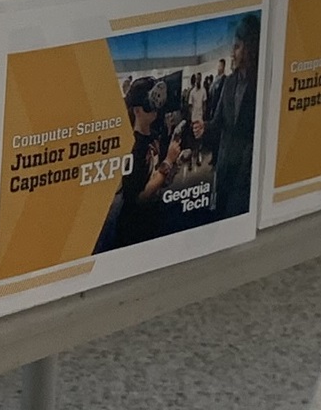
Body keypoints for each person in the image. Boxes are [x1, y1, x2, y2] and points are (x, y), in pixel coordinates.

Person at [96, 76, 185, 252]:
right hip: (133, 229)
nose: (155, 107)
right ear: (137, 110)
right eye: (149, 103)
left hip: (152, 218)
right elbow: (138, 198)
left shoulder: (153, 137)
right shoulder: (133, 148)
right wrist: (168, 161)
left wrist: (175, 162)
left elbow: (159, 177)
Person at [195, 14, 259, 220]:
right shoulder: (229, 83)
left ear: (250, 48)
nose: (233, 52)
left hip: (247, 170)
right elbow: (218, 122)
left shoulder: (260, 83)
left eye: (238, 46)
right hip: (224, 167)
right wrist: (205, 127)